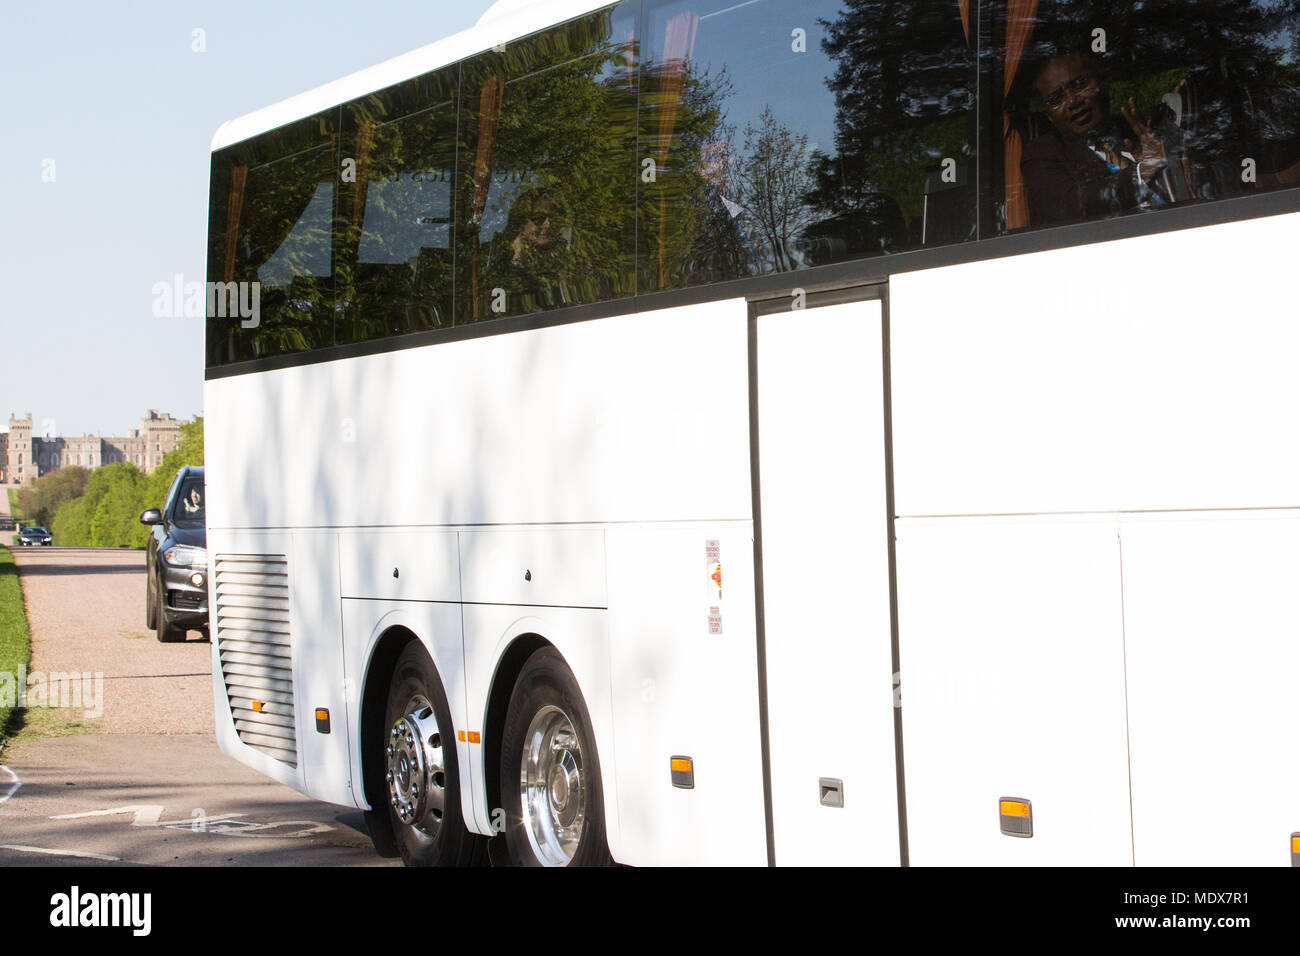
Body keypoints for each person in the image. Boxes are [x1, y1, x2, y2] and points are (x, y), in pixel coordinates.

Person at [1021, 52, 1177, 227]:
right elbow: (1071, 206)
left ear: (1102, 83)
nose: (1072, 101)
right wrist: (1142, 172)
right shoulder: (1042, 154)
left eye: (1079, 85)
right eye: (1057, 98)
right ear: (1049, 116)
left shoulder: (1139, 130)